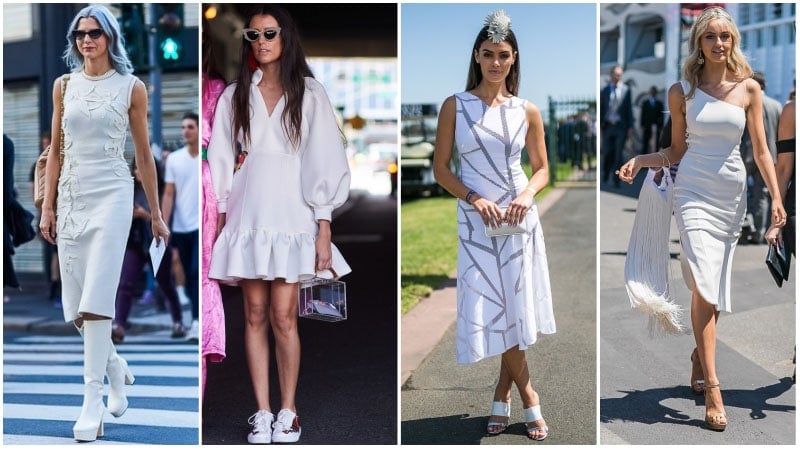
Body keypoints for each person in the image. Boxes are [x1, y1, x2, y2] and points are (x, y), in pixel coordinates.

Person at [618, 6, 786, 432]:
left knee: (708, 287)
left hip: (730, 195)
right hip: (691, 192)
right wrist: (640, 160)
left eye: (725, 36)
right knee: (704, 281)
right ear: (699, 42)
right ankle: (713, 386)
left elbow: (763, 152)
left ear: (733, 42)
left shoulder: (747, 89)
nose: (718, 43)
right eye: (710, 36)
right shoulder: (682, 92)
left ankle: (699, 353)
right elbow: (676, 151)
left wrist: (777, 198)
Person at [207, 5, 351, 444]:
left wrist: (323, 226)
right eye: (253, 35)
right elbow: (221, 161)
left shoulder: (310, 93)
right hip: (248, 214)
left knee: (284, 316)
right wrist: (222, 216)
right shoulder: (234, 95)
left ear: (286, 38)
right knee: (252, 315)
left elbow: (324, 158)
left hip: (293, 215)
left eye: (269, 33)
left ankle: (289, 410)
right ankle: (263, 412)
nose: (261, 41)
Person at [37, 5, 170, 442]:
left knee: (96, 299)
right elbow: (55, 150)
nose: (86, 40)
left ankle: (90, 402)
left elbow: (144, 156)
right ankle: (115, 367)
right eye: (80, 33)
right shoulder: (63, 86)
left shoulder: (132, 88)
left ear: (110, 36)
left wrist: (156, 214)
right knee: (75, 308)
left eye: (94, 32)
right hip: (73, 196)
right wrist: (48, 206)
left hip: (113, 195)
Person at [431, 10, 555, 441]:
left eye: (503, 55)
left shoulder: (528, 110)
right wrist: (475, 198)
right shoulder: (455, 105)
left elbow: (542, 170)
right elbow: (441, 170)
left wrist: (525, 196)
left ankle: (515, 398)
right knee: (496, 305)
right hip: (476, 221)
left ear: (514, 58)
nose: (496, 63)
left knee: (515, 309)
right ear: (477, 56)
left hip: (520, 219)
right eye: (488, 54)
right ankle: (524, 395)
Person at [113, 157, 185, 343]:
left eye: (142, 168)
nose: (138, 172)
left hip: (157, 243)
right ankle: (119, 325)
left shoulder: (162, 190)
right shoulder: (129, 189)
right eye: (135, 169)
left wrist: (145, 214)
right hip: (135, 241)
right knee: (126, 283)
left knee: (166, 283)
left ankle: (178, 320)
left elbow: (164, 217)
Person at [201, 23, 226, 401]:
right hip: (191, 183)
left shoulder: (217, 90)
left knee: (206, 275)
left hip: (208, 188)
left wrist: (224, 206)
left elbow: (226, 150)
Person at [162, 112, 200, 341]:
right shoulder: (175, 159)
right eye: (183, 127)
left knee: (195, 273)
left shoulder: (207, 156)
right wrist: (164, 225)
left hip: (199, 226)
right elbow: (168, 194)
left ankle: (196, 322)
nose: (185, 131)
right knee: (185, 275)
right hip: (180, 226)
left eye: (190, 127)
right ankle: (193, 316)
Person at [740, 71, 783, 244]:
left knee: (739, 192)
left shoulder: (745, 102)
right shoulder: (776, 106)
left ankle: (740, 227)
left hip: (746, 154)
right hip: (770, 156)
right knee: (763, 195)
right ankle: (759, 233)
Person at [601, 65, 633, 186]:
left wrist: (630, 127)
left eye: (620, 75)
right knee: (608, 152)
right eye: (616, 74)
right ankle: (605, 172)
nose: (618, 77)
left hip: (621, 126)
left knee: (618, 154)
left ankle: (616, 179)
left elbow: (628, 109)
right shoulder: (605, 90)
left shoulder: (626, 89)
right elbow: (602, 109)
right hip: (608, 125)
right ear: (611, 75)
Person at [639, 86, 664, 154]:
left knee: (655, 143)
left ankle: (654, 159)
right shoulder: (645, 103)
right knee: (645, 143)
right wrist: (642, 125)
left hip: (655, 127)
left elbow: (661, 116)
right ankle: (643, 159)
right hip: (647, 126)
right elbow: (642, 114)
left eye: (654, 92)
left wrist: (660, 126)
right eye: (651, 91)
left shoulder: (659, 104)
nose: (653, 93)